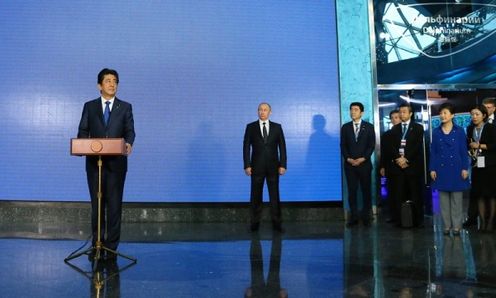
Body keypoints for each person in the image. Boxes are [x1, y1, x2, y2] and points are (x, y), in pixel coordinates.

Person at [78, 68, 135, 256]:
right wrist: (84, 144)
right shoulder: (90, 106)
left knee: (114, 205)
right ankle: (97, 244)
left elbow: (129, 131)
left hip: (117, 164)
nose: (112, 84)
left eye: (115, 81)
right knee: (97, 204)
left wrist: (128, 143)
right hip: (95, 164)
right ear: (99, 86)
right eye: (108, 81)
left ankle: (111, 247)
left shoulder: (125, 107)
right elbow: (83, 131)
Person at [243, 103, 287, 232]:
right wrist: (247, 165)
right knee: (256, 196)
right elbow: (246, 147)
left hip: (274, 167)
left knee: (274, 196)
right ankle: (255, 223)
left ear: (270, 112)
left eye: (265, 110)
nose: (262, 112)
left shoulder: (277, 127)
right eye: (260, 110)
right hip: (256, 167)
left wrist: (283, 164)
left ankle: (277, 224)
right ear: (258, 112)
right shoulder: (250, 127)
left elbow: (282, 147)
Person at [429, 103, 470, 236]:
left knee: (457, 200)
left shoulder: (459, 131)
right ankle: (447, 226)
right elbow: (433, 152)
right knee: (444, 200)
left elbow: (464, 151)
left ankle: (457, 226)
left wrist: (465, 168)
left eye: (445, 113)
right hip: (441, 168)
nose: (442, 115)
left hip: (457, 168)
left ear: (452, 115)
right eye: (441, 113)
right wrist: (432, 169)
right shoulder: (436, 132)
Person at [340, 102, 376, 227]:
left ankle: (367, 216)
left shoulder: (369, 127)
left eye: (355, 110)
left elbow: (371, 145)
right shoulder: (345, 127)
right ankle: (353, 217)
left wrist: (363, 158)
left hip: (364, 165)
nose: (352, 112)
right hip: (350, 165)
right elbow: (343, 145)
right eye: (351, 110)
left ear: (362, 112)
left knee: (366, 191)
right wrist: (348, 158)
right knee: (352, 191)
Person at [390, 103, 425, 227]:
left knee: (415, 194)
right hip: (398, 168)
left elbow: (417, 147)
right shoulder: (394, 128)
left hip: (413, 167)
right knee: (399, 194)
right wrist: (399, 159)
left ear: (410, 113)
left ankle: (417, 220)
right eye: (400, 111)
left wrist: (406, 159)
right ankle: (401, 221)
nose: (401, 114)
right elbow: (392, 147)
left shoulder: (418, 128)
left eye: (404, 111)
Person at [467, 104, 496, 231]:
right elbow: (468, 145)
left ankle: (491, 222)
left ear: (484, 115)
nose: (474, 117)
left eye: (477, 114)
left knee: (491, 195)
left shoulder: (491, 127)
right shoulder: (469, 129)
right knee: (479, 194)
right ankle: (482, 222)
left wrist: (480, 146)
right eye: (472, 114)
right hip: (476, 165)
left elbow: (494, 145)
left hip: (490, 166)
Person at [380, 109, 401, 223]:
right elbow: (384, 152)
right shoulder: (386, 135)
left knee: (401, 192)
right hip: (391, 167)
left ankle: (403, 215)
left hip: (404, 167)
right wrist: (382, 166)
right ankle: (393, 215)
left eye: (396, 117)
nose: (394, 119)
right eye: (392, 118)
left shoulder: (405, 133)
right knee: (391, 191)